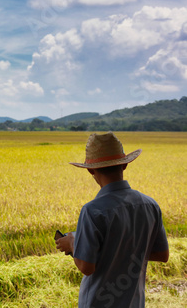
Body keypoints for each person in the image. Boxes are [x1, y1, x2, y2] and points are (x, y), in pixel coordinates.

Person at [56, 132, 169, 308]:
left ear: (90, 169)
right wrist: (124, 249)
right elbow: (162, 255)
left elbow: (87, 267)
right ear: (124, 165)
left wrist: (72, 243)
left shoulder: (93, 211)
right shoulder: (150, 205)